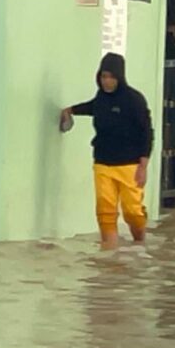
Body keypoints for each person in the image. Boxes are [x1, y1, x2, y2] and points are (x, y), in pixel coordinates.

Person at [61, 53, 153, 248]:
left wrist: (143, 165)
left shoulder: (134, 100)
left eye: (111, 77)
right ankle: (109, 255)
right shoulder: (101, 99)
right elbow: (91, 107)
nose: (107, 81)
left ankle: (140, 245)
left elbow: (146, 132)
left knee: (132, 211)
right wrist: (70, 110)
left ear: (119, 77)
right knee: (105, 211)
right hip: (103, 162)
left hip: (129, 164)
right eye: (103, 76)